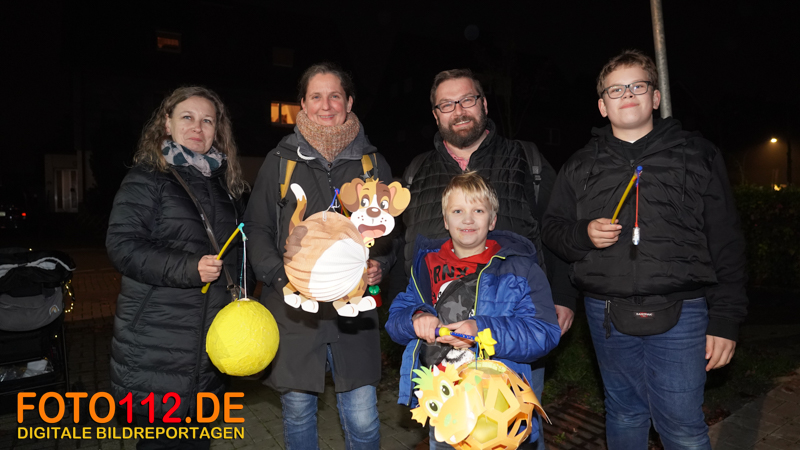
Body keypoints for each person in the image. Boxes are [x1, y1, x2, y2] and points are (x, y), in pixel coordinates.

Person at [542, 49, 748, 449]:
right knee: (623, 413)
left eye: (637, 86)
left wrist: (726, 320)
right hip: (605, 312)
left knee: (682, 425)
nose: (627, 95)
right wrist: (583, 234)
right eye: (615, 90)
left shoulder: (698, 155)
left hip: (684, 312)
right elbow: (552, 230)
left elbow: (726, 241)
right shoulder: (579, 165)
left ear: (655, 97)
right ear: (602, 106)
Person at [398, 68, 578, 448]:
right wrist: (414, 314)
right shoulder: (417, 172)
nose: (458, 110)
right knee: (450, 436)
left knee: (512, 432)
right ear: (436, 114)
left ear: (482, 103)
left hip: (512, 334)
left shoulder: (524, 159)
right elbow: (405, 248)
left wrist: (563, 295)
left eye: (466, 100)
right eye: (447, 104)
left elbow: (556, 227)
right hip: (441, 354)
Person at [244, 62, 392, 450]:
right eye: (316, 97)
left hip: (353, 311)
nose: (326, 105)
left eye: (335, 96)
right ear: (303, 105)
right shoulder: (280, 161)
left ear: (349, 102)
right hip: (294, 312)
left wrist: (380, 265)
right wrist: (281, 277)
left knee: (363, 418)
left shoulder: (372, 165)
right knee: (297, 413)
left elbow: (392, 233)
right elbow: (256, 228)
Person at [107, 86, 248, 450]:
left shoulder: (225, 187)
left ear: (217, 130)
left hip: (208, 351)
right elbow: (122, 246)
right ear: (167, 124)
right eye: (187, 117)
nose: (197, 127)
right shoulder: (148, 177)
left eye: (207, 120)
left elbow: (237, 255)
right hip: (156, 346)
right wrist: (189, 268)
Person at [386, 172, 561, 449]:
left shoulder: (521, 269)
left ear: (492, 220)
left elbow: (545, 332)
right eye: (458, 211)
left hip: (500, 406)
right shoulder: (426, 266)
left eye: (478, 210)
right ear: (446, 220)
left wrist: (482, 330)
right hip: (444, 404)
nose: (467, 219)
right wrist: (415, 317)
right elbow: (395, 320)